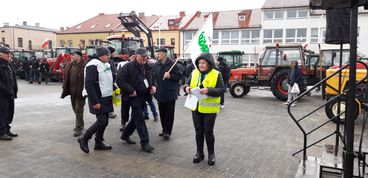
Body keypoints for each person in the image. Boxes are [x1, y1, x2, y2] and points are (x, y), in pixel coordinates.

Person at [184, 53, 224, 166]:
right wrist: (186, 88)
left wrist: (209, 90)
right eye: (199, 63)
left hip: (209, 110)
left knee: (208, 132)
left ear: (209, 64)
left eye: (203, 63)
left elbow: (221, 90)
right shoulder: (194, 72)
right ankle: (199, 153)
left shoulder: (216, 74)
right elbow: (186, 84)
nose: (201, 65)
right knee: (198, 132)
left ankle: (211, 154)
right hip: (195, 107)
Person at [116, 48, 156, 153]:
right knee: (140, 118)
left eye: (146, 56)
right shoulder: (128, 66)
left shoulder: (148, 67)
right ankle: (145, 143)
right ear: (136, 56)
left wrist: (154, 87)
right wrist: (130, 90)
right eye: (142, 56)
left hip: (145, 96)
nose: (144, 58)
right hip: (133, 97)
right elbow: (119, 80)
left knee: (135, 118)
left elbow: (152, 79)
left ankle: (125, 135)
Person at [77, 46, 114, 154]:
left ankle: (98, 142)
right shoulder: (92, 64)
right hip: (98, 97)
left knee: (105, 122)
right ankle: (84, 139)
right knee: (101, 121)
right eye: (107, 55)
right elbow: (89, 84)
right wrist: (95, 101)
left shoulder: (106, 64)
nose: (109, 56)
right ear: (101, 55)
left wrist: (115, 89)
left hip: (106, 96)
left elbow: (108, 79)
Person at [153, 48, 183, 140]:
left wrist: (170, 76)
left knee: (169, 114)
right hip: (160, 92)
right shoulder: (156, 65)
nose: (157, 55)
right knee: (162, 112)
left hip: (170, 93)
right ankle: (164, 129)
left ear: (164, 54)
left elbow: (180, 76)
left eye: (158, 54)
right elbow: (153, 77)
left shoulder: (173, 64)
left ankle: (168, 132)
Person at [61, 51, 86, 137]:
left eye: (73, 55)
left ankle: (79, 127)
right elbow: (65, 76)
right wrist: (64, 86)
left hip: (80, 92)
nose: (72, 56)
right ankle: (80, 123)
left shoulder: (84, 66)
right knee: (75, 109)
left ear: (79, 56)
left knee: (79, 109)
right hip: (72, 91)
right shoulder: (70, 64)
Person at [0, 47, 18, 141]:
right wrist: (5, 89)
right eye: (6, 53)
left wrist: (13, 90)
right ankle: (1, 132)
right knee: (2, 114)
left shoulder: (8, 65)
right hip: (2, 95)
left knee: (9, 113)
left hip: (10, 94)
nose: (9, 55)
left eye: (9, 53)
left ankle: (7, 130)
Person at [107, 46, 118, 119]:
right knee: (109, 97)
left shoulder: (111, 60)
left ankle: (109, 111)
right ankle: (109, 112)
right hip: (109, 82)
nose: (114, 54)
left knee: (111, 97)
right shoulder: (108, 61)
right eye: (113, 52)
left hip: (112, 81)